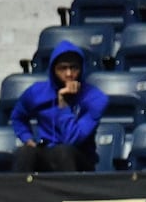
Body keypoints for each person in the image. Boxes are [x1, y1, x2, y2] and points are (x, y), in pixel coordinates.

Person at [9, 41, 107, 173]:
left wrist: (63, 104)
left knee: (62, 151)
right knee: (24, 152)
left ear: (82, 69)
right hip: (46, 150)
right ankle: (19, 192)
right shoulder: (36, 92)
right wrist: (27, 138)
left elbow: (72, 139)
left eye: (74, 68)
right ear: (53, 70)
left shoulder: (95, 98)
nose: (68, 74)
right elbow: (17, 117)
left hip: (79, 156)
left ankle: (68, 193)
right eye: (62, 68)